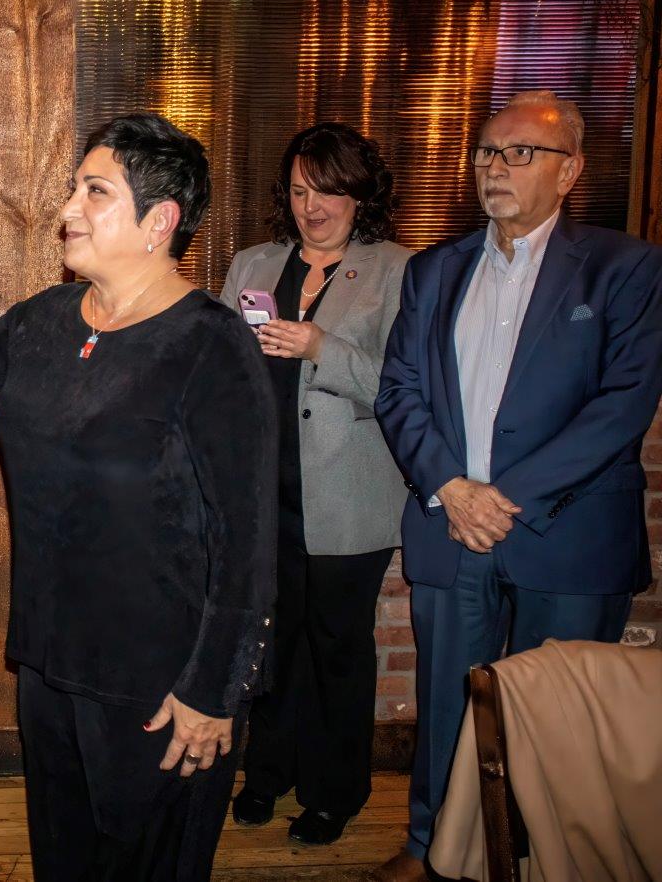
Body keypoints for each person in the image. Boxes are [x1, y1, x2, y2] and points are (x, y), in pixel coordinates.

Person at [0, 114, 276, 879]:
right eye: (76, 187)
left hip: (161, 684)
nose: (68, 207)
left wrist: (214, 691)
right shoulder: (46, 320)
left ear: (159, 222)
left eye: (94, 191)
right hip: (50, 664)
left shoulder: (210, 346)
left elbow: (248, 541)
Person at [373, 89, 662, 882]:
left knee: (557, 716)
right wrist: (452, 489)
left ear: (569, 171)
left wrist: (504, 499)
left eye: (518, 153)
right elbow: (399, 389)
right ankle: (434, 846)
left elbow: (622, 404)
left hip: (564, 534)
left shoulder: (626, 267)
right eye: (485, 154)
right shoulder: (435, 269)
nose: (494, 169)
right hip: (451, 524)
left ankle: (541, 859)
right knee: (448, 705)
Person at [219, 123, 410, 846]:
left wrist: (322, 347)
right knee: (272, 644)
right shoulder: (253, 265)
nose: (313, 205)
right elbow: (230, 371)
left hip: (348, 499)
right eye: (300, 190)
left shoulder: (397, 269)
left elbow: (401, 385)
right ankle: (267, 773)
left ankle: (335, 792)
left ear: (360, 194)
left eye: (328, 189)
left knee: (336, 648)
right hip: (269, 497)